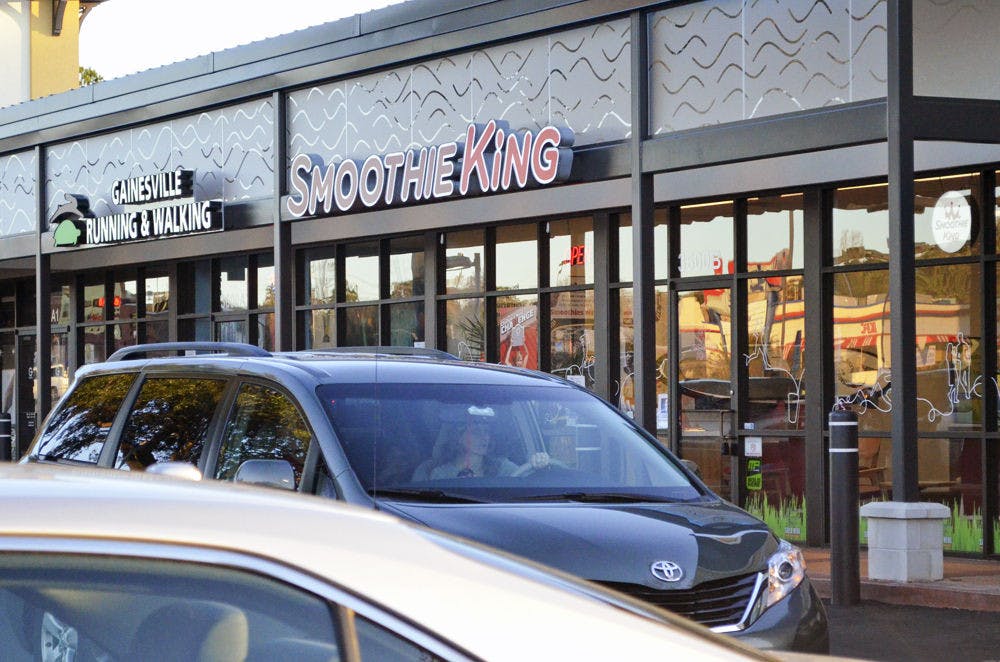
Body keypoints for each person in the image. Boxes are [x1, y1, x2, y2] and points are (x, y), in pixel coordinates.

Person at [429, 420, 518, 479]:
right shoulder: (442, 474)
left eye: (486, 431)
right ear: (458, 437)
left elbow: (524, 476)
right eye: (476, 432)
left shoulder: (502, 467)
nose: (485, 437)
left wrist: (532, 463)